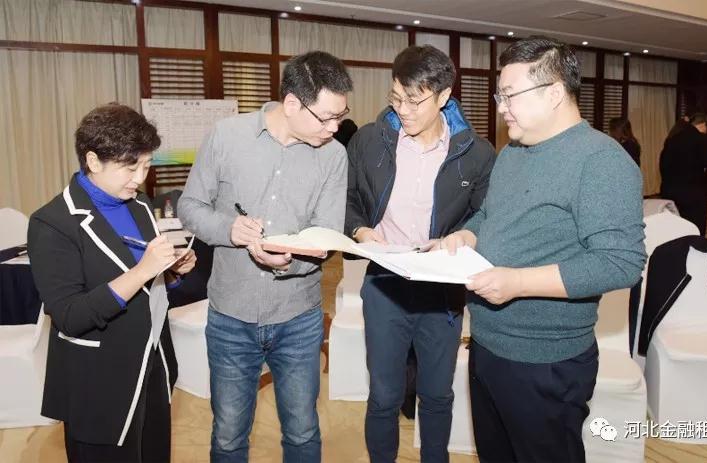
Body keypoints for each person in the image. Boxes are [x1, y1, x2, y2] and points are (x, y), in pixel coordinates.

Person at [440, 36, 646, 463]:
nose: (501, 107)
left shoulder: (601, 161)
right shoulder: (513, 152)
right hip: (488, 342)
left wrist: (518, 283)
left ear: (553, 93)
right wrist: (467, 236)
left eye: (509, 95)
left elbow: (620, 263)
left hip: (545, 360)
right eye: (500, 96)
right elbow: (490, 216)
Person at [178, 51, 352, 463]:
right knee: (228, 435)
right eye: (326, 117)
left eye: (340, 116)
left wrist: (289, 258)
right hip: (230, 315)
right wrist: (229, 229)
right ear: (291, 103)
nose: (334, 128)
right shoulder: (226, 136)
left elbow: (326, 234)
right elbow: (190, 206)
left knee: (303, 431)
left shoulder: (333, 156)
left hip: (299, 317)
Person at [345, 44, 496, 463]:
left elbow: (488, 215)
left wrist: (464, 235)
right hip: (385, 284)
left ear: (444, 96)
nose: (403, 109)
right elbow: (347, 198)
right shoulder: (369, 141)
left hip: (441, 290)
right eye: (396, 97)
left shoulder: (475, 153)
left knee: (436, 394)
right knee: (383, 395)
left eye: (415, 100)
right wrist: (360, 230)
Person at [27, 103, 197, 462]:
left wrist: (171, 273)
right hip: (98, 381)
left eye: (146, 166)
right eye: (130, 167)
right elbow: (70, 315)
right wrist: (141, 271)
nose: (140, 178)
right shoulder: (53, 222)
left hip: (151, 364)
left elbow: (147, 286)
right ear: (92, 161)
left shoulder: (139, 206)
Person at [660, 112, 707, 235]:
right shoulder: (700, 139)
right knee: (695, 225)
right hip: (692, 191)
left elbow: (663, 164)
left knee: (675, 226)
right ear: (703, 124)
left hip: (670, 189)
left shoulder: (673, 138)